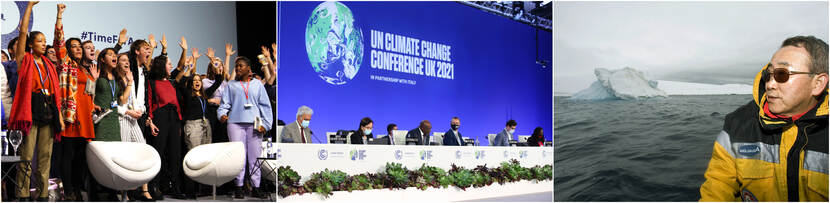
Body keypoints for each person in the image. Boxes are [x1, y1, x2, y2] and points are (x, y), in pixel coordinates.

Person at [700, 36, 829, 201]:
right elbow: (717, 186)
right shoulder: (737, 124)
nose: (770, 84)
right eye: (768, 75)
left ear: (818, 84)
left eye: (782, 74)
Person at [9, 2, 66, 201]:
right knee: (25, 157)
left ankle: (42, 195)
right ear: (31, 44)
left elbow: (55, 94)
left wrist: (59, 115)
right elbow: (23, 31)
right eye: (39, 41)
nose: (43, 43)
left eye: (44, 41)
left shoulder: (50, 65)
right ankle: (22, 195)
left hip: (48, 113)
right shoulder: (25, 60)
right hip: (30, 112)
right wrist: (30, 7)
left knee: (45, 158)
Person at [218, 56, 273, 199]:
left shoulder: (258, 85)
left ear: (249, 68)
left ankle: (256, 187)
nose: (237, 68)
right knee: (239, 157)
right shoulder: (231, 85)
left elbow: (266, 106)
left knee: (254, 157)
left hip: (255, 125)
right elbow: (224, 104)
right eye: (236, 66)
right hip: (235, 124)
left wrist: (266, 125)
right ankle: (239, 187)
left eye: (241, 66)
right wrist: (222, 114)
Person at [146, 36, 189, 200]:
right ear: (161, 66)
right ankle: (155, 185)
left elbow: (180, 66)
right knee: (158, 152)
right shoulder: (152, 82)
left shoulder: (172, 82)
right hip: (160, 118)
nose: (170, 66)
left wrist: (184, 50)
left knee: (175, 154)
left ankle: (175, 186)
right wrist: (150, 121)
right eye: (168, 63)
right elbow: (149, 102)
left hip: (174, 118)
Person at [92, 48, 123, 142]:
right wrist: (94, 79)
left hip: (114, 118)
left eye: (115, 55)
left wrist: (129, 82)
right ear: (102, 59)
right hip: (100, 118)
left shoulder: (117, 77)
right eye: (110, 54)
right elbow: (89, 94)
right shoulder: (97, 73)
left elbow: (122, 100)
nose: (114, 56)